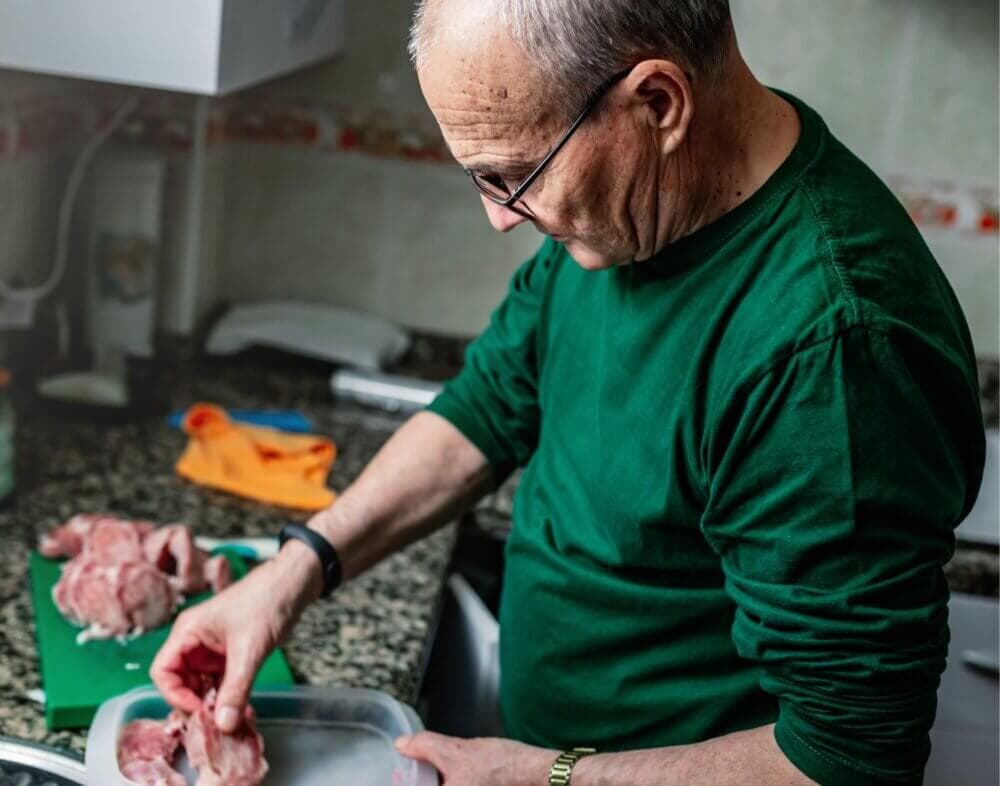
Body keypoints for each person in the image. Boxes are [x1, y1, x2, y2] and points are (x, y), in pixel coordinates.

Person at [152, 2, 987, 784]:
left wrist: (550, 775)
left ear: (659, 103)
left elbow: (846, 760)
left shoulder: (833, 351)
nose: (500, 217)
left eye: (513, 175)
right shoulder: (639, 208)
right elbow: (488, 406)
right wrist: (290, 574)